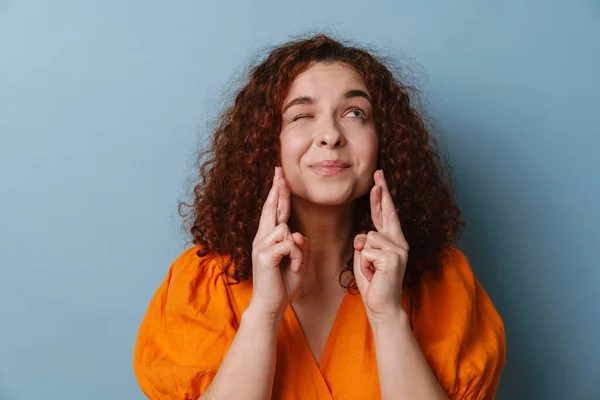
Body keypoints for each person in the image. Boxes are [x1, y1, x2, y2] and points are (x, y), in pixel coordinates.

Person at [133, 33, 506, 400]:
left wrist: (388, 318)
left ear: (385, 141)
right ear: (267, 141)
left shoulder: (444, 283)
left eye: (355, 113)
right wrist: (263, 313)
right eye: (302, 115)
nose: (330, 135)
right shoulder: (201, 284)